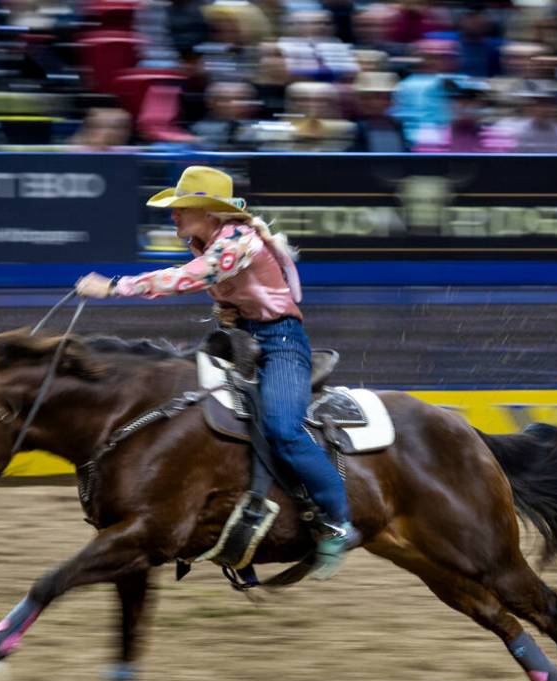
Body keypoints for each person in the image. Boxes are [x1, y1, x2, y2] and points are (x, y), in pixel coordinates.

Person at [74, 166, 361, 579]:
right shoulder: (206, 240)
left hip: (281, 343)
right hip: (239, 339)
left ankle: (338, 521)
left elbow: (199, 276)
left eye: (183, 207)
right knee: (190, 414)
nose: (174, 215)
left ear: (211, 212)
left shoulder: (237, 239)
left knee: (283, 427)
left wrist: (117, 286)